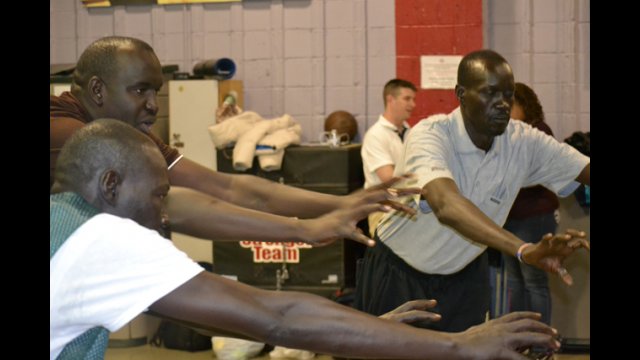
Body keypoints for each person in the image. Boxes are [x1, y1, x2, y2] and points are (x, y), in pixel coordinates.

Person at [50, 119, 561, 360]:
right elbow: (281, 317)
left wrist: (364, 329)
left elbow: (212, 309)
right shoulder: (103, 240)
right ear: (110, 185)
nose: (164, 212)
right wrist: (458, 344)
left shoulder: (64, 220)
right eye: (159, 195)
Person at [50, 36, 419, 248]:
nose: (152, 104)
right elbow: (181, 208)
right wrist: (301, 229)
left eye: (157, 91)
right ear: (97, 90)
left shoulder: (127, 137)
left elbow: (228, 186)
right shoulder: (70, 138)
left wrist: (341, 201)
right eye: (140, 90)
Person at [354, 49, 591, 333]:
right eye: (490, 93)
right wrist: (523, 249)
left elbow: (583, 169)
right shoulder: (431, 135)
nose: (502, 104)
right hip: (399, 273)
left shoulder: (523, 141)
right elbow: (447, 205)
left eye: (508, 94)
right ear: (461, 93)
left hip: (465, 275)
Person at [501, 82, 560, 325]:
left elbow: (541, 174)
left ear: (525, 105)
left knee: (533, 280)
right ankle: (520, 339)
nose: (505, 110)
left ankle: (540, 343)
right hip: (510, 217)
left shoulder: (539, 131)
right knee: (515, 281)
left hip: (535, 216)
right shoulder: (504, 132)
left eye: (510, 105)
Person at [361, 78, 417, 234]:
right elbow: (389, 179)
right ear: (390, 100)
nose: (413, 105)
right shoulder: (375, 135)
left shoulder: (410, 132)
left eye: (413, 99)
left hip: (408, 207)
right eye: (407, 99)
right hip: (383, 211)